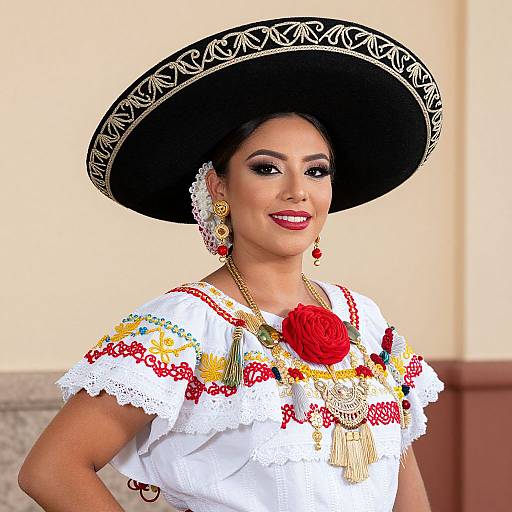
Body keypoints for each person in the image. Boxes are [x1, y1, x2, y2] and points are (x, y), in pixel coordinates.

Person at [18, 16, 445, 512]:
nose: (297, 191)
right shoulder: (184, 326)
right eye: (267, 168)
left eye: (316, 170)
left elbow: (402, 481)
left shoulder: (363, 320)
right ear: (219, 188)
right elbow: (51, 469)